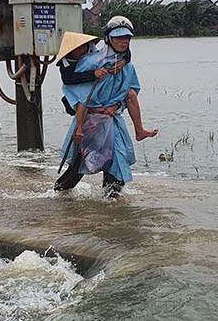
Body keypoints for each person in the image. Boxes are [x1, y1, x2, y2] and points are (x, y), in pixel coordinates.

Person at [55, 17, 157, 197]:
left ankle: (111, 207)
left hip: (112, 121)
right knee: (79, 166)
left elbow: (131, 91)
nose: (122, 41)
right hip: (89, 122)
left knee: (117, 162)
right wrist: (86, 120)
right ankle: (58, 196)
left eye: (126, 38)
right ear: (109, 39)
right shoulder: (90, 62)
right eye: (118, 38)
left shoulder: (127, 66)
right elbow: (75, 93)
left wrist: (117, 105)